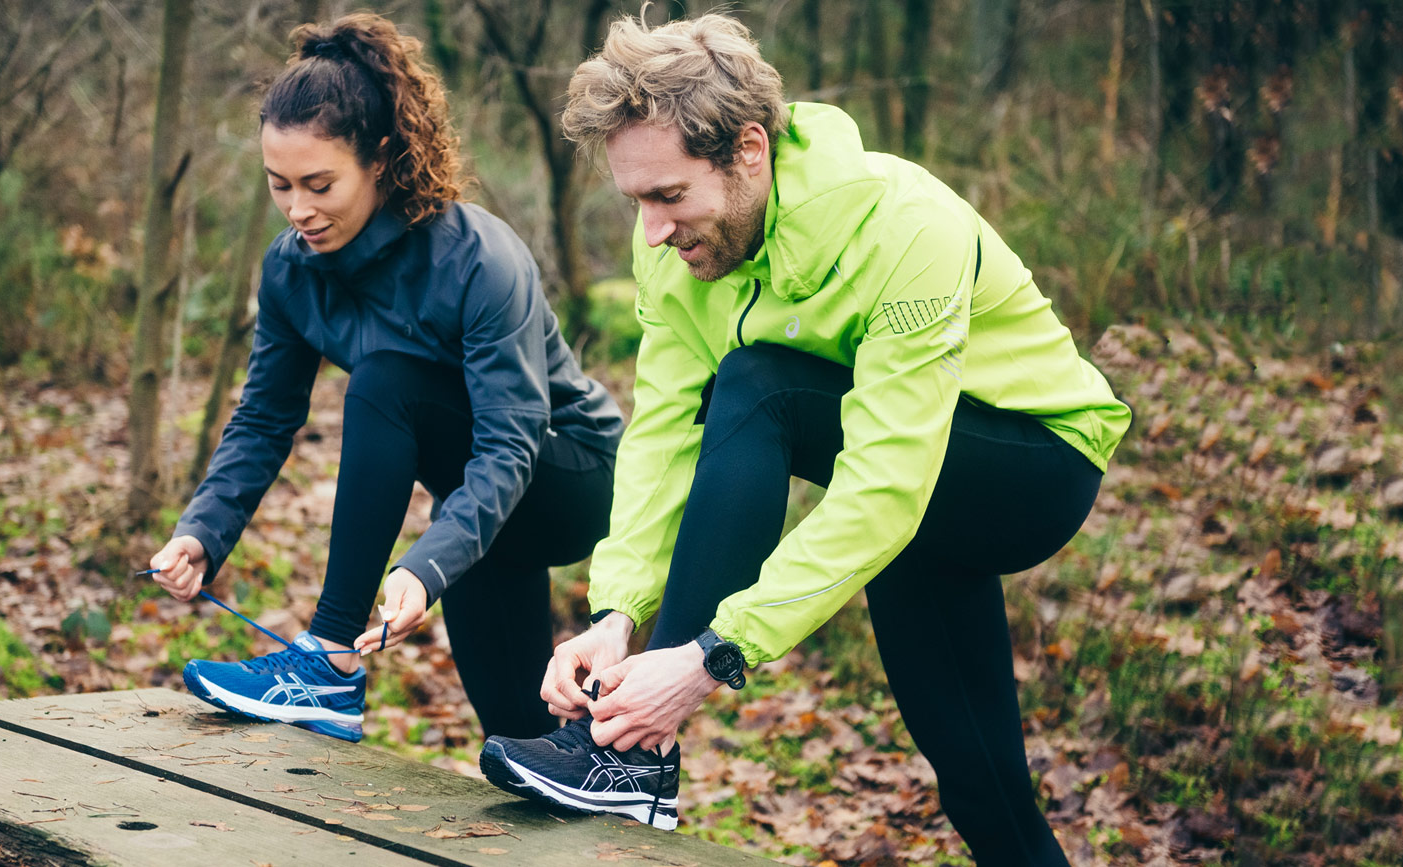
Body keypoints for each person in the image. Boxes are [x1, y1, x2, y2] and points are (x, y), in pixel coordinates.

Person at [477, 13, 1130, 864]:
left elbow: (882, 485)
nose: (652, 232)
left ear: (749, 150)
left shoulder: (906, 229)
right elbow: (664, 432)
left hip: (1035, 464)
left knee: (761, 381)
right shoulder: (674, 249)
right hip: (910, 500)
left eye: (670, 196)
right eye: (636, 200)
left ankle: (632, 760)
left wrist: (708, 658)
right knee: (978, 776)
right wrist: (616, 612)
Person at [146, 13, 625, 745]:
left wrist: (428, 565)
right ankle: (605, 784)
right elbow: (265, 416)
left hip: (573, 472)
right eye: (279, 186)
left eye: (319, 183)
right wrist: (204, 529)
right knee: (522, 737)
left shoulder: (476, 260)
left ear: (378, 158)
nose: (299, 209)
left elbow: (509, 442)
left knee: (384, 380)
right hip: (482, 507)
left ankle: (330, 660)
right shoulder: (291, 269)